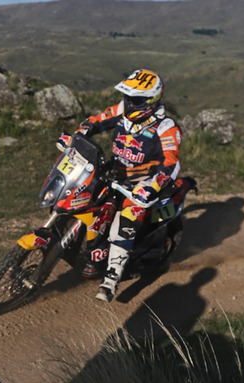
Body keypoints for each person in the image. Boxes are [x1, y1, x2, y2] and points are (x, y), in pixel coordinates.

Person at [75, 68, 183, 302]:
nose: (129, 103)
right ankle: (89, 251)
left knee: (125, 223)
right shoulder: (122, 110)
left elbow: (171, 165)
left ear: (151, 101)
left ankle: (110, 281)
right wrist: (81, 132)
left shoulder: (166, 128)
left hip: (142, 184)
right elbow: (98, 120)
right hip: (113, 173)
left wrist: (152, 187)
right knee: (81, 198)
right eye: (128, 97)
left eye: (136, 100)